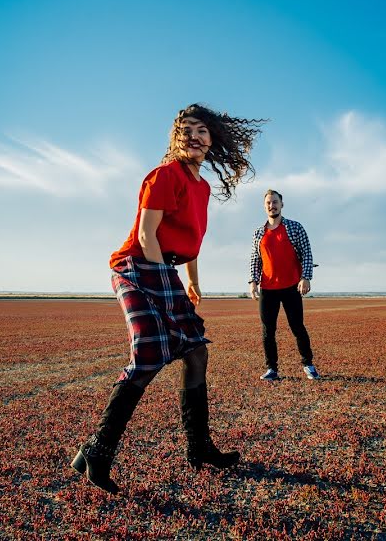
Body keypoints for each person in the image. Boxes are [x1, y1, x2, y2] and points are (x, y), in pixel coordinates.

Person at [72, 104, 263, 494]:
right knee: (148, 356)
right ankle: (98, 451)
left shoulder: (202, 187)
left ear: (212, 141)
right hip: (136, 267)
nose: (194, 136)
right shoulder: (163, 175)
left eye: (202, 131)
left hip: (164, 268)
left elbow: (190, 243)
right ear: (176, 139)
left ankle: (200, 449)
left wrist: (192, 283)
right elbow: (147, 236)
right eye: (186, 130)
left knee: (196, 352)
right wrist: (168, 284)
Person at [248, 189, 319, 381]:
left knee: (297, 327)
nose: (272, 206)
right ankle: (272, 369)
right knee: (267, 331)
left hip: (291, 287)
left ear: (282, 204)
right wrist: (253, 282)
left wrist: (306, 277)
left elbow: (307, 253)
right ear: (265, 207)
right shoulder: (258, 233)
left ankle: (308, 365)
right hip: (268, 289)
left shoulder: (295, 228)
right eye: (269, 203)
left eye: (275, 202)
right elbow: (256, 259)